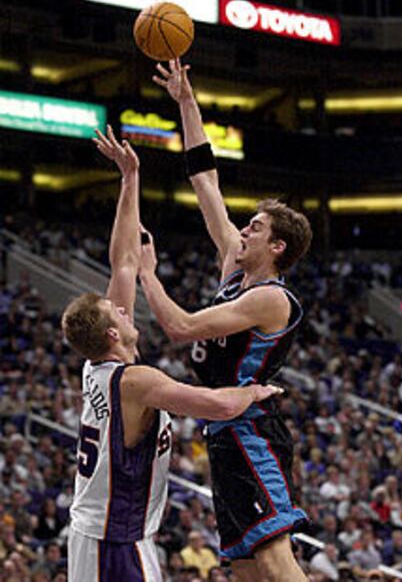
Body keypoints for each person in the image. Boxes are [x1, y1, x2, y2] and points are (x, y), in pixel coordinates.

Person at [63, 126, 279, 582]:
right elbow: (218, 404)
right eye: (116, 313)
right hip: (112, 538)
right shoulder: (137, 381)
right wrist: (256, 392)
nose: (124, 310)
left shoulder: (102, 364)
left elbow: (123, 261)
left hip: (107, 533)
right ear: (111, 333)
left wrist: (130, 179)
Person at [139, 59, 313, 582]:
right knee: (244, 569)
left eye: (254, 227)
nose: (242, 230)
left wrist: (149, 276)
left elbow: (183, 328)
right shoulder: (233, 265)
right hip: (224, 430)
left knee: (275, 559)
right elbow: (205, 180)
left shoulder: (270, 298)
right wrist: (186, 100)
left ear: (275, 247)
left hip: (251, 430)